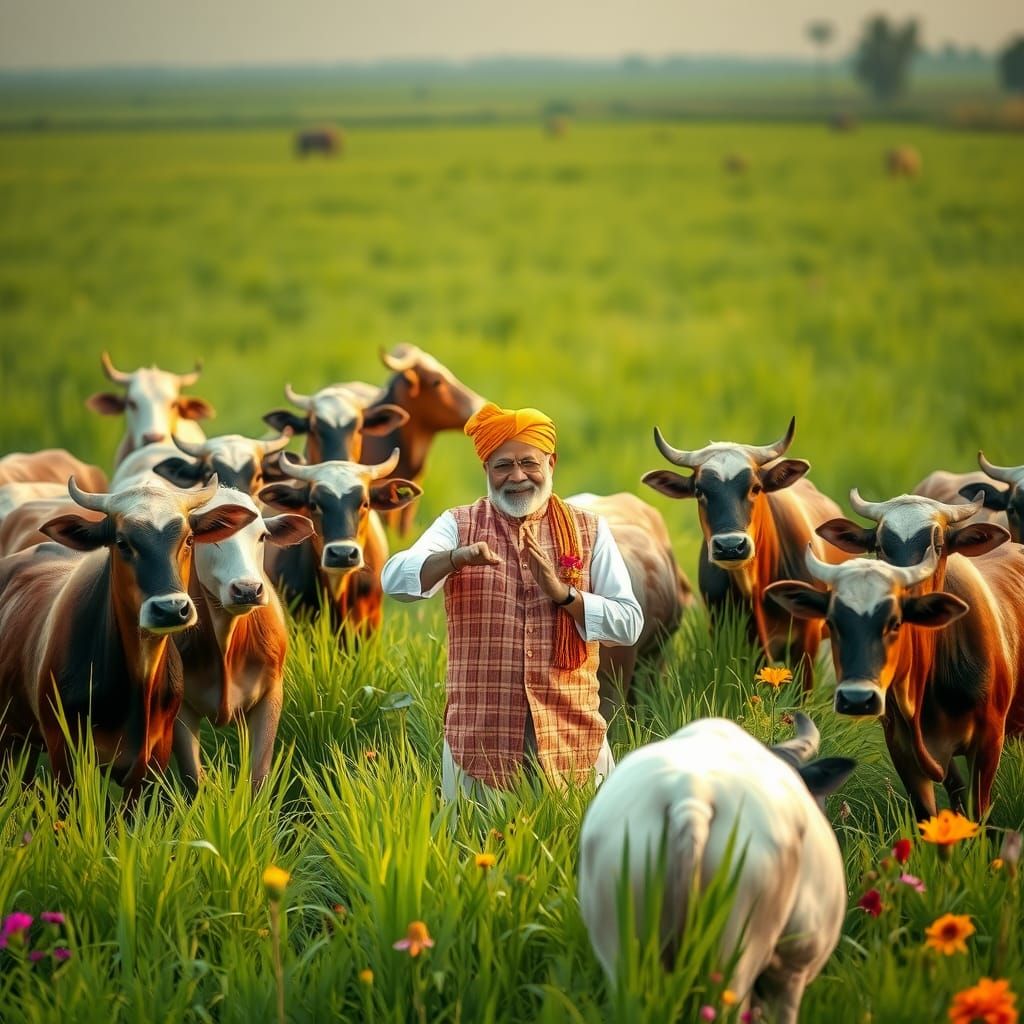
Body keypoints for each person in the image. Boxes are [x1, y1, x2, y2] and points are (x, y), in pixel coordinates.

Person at [381, 402, 643, 801]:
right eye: (503, 465)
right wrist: (455, 558)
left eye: (528, 463)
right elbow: (394, 580)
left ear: (551, 463)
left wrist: (565, 595)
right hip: (479, 743)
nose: (517, 476)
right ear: (486, 469)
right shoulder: (458, 525)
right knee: (473, 838)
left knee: (576, 838)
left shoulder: (589, 529)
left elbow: (628, 624)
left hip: (572, 736)